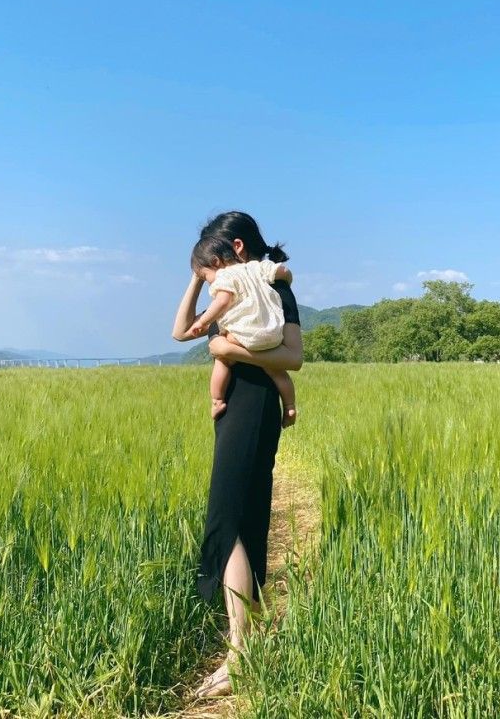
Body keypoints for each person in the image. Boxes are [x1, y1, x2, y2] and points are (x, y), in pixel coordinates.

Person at [172, 211, 303, 698]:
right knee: (241, 516)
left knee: (228, 519)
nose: (206, 277)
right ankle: (245, 639)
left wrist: (230, 349)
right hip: (235, 412)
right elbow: (181, 330)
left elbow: (293, 357)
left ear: (239, 248)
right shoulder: (223, 284)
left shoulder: (273, 290)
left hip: (255, 404)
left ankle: (239, 656)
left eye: (212, 261)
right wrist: (196, 277)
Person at [188, 234, 297, 427]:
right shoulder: (256, 267)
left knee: (222, 360)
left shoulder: (224, 276)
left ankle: (217, 401)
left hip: (243, 335)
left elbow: (222, 301)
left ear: (215, 262)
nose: (208, 282)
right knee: (277, 372)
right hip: (272, 333)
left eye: (205, 277)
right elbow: (283, 271)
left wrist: (203, 322)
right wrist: (287, 280)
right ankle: (289, 406)